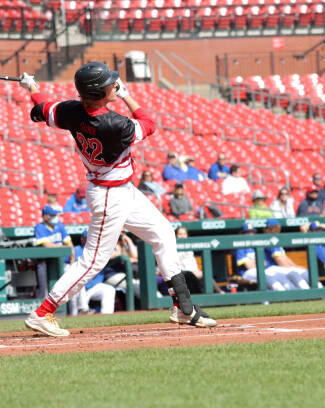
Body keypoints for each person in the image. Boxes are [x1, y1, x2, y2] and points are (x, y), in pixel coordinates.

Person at [20, 62, 216, 337]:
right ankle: (43, 312)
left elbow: (41, 110)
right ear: (99, 92)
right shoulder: (113, 123)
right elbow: (149, 125)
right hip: (109, 194)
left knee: (163, 233)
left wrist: (33, 89)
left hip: (124, 191)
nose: (114, 85)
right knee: (92, 261)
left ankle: (182, 306)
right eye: (110, 84)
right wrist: (125, 95)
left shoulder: (71, 110)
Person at [233, 222, 298, 291]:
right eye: (247, 232)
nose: (250, 234)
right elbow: (250, 266)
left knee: (280, 275)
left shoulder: (258, 244)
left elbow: (265, 263)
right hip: (247, 273)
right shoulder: (240, 247)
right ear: (242, 234)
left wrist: (254, 261)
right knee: (266, 275)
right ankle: (282, 294)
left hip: (263, 270)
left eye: (252, 232)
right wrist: (257, 262)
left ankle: (296, 293)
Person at [34, 205, 75, 299]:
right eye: (52, 215)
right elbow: (46, 245)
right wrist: (64, 248)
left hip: (63, 262)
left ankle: (76, 312)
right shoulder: (39, 227)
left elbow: (69, 243)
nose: (55, 217)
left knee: (73, 285)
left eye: (55, 215)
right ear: (45, 216)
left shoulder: (59, 225)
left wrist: (72, 258)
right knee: (47, 290)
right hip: (47, 262)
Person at [74, 230, 116, 314]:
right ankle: (83, 311)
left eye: (93, 238)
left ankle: (106, 316)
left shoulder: (100, 250)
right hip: (78, 288)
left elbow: (116, 253)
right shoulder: (76, 250)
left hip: (94, 286)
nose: (91, 240)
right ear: (82, 239)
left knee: (109, 290)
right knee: (79, 283)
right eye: (88, 238)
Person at [263, 218, 313, 289]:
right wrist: (293, 268)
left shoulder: (276, 239)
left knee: (305, 272)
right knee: (293, 274)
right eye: (272, 228)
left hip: (279, 269)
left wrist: (295, 266)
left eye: (276, 227)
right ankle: (309, 293)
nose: (275, 230)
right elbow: (279, 260)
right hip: (271, 269)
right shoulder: (270, 240)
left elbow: (284, 258)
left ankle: (318, 293)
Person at [175, 226, 224, 296]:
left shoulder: (190, 246)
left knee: (205, 275)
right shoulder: (173, 247)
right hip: (182, 273)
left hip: (195, 272)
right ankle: (219, 292)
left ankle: (220, 293)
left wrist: (195, 271)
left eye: (184, 234)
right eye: (180, 234)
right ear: (176, 235)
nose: (182, 236)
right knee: (191, 275)